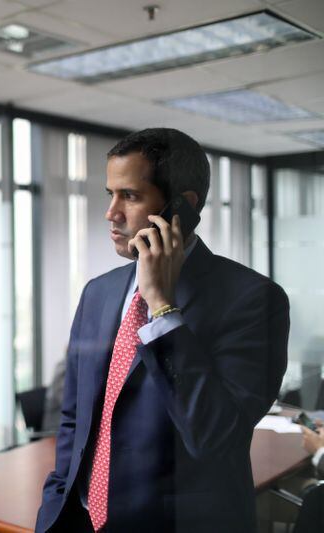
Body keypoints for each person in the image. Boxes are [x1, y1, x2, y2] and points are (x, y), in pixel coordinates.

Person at [35, 128, 290, 533]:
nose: (111, 213)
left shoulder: (254, 299)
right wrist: (56, 504)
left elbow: (216, 436)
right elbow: (75, 417)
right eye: (110, 194)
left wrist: (163, 309)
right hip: (80, 520)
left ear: (181, 207)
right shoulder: (98, 293)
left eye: (130, 196)